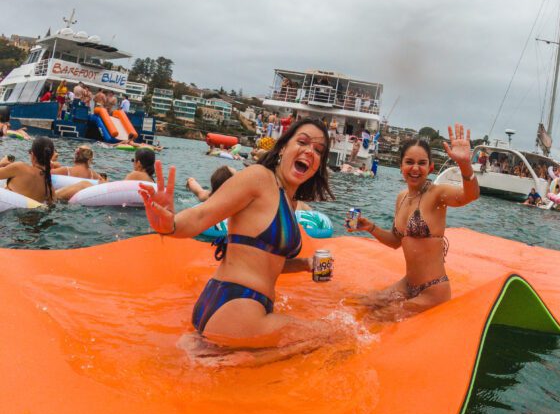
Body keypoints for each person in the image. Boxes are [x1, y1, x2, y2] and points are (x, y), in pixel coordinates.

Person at [138, 118, 334, 345]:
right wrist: (170, 225)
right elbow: (202, 214)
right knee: (336, 336)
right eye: (303, 142)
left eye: (318, 150)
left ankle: (201, 350)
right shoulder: (259, 178)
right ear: (283, 148)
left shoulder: (288, 202)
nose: (310, 151)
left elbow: (264, 261)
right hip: (238, 308)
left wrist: (305, 264)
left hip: (230, 304)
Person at [348, 124, 479, 316]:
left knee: (374, 318)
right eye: (409, 162)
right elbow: (395, 241)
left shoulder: (437, 194)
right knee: (358, 304)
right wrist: (371, 227)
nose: (415, 168)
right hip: (407, 284)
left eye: (422, 163)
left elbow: (471, 195)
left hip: (433, 290)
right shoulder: (401, 197)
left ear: (430, 167)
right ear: (401, 166)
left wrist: (465, 164)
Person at [56, 148, 155, 201]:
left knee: (83, 184)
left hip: (114, 202)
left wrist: (104, 183)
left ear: (138, 163)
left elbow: (119, 190)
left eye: (134, 160)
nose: (133, 163)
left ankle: (53, 197)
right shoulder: (151, 180)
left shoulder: (136, 174)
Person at [0, 136, 56, 203]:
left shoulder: (19, 168)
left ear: (32, 155)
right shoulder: (50, 187)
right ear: (51, 156)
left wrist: (1, 163)